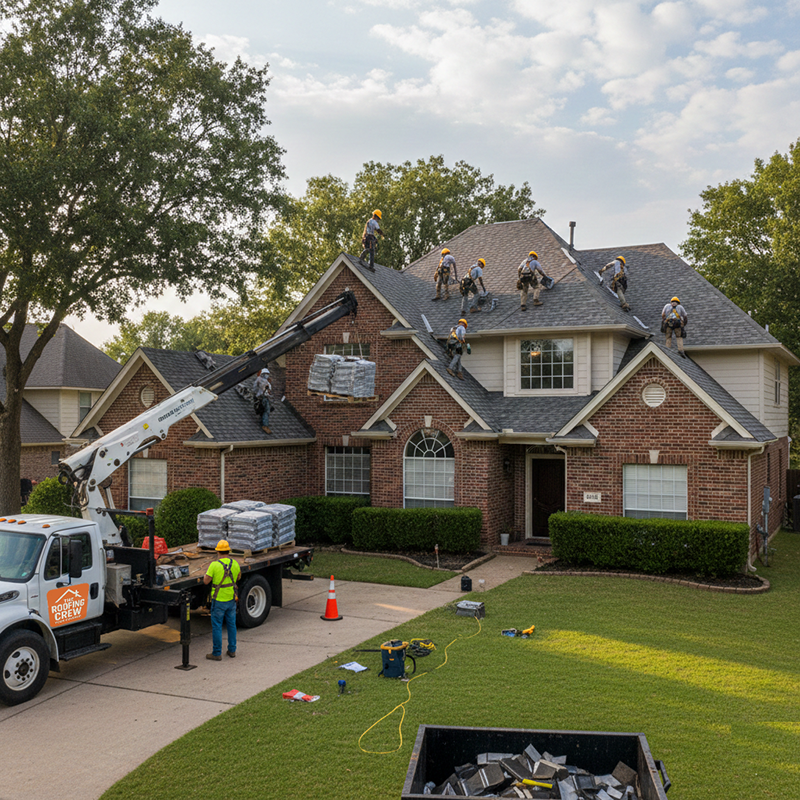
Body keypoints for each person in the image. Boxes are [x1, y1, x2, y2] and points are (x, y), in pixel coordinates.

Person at [204, 539, 241, 660]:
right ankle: (232, 650)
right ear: (228, 551)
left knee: (217, 626)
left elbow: (206, 581)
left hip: (218, 601)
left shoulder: (214, 565)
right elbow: (239, 577)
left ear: (218, 552)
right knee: (231, 625)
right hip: (231, 599)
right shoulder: (235, 563)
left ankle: (216, 653)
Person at [253, 368, 272, 434]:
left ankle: (264, 421)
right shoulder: (260, 379)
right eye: (266, 374)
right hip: (261, 397)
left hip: (264, 397)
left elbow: (268, 391)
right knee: (266, 410)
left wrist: (269, 385)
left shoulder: (265, 380)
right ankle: (265, 425)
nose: (267, 375)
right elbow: (259, 388)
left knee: (265, 410)